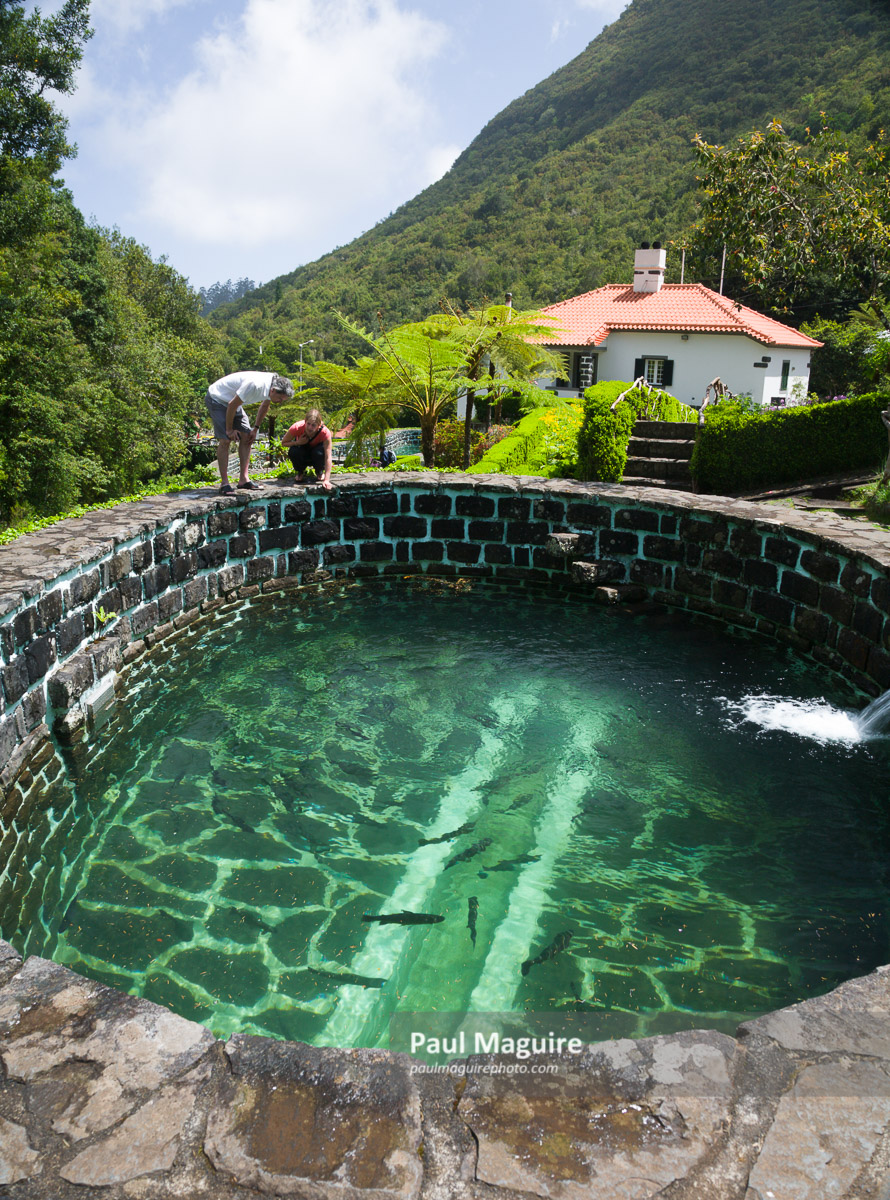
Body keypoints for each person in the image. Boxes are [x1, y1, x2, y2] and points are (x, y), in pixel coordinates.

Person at [205, 371, 294, 494]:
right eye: (280, 399)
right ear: (273, 390)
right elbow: (232, 405)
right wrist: (229, 430)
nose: (280, 402)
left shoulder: (273, 383)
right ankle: (224, 483)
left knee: (247, 436)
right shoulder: (255, 385)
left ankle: (244, 480)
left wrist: (255, 429)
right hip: (217, 398)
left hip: (233, 402)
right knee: (225, 439)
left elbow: (264, 406)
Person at [281, 408, 333, 490]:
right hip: (302, 451)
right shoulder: (297, 427)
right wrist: (298, 442)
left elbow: (328, 456)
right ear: (305, 422)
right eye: (308, 424)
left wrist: (327, 480)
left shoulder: (325, 433)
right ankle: (300, 471)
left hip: (316, 454)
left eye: (313, 425)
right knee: (294, 451)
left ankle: (319, 471)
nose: (309, 427)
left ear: (319, 426)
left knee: (319, 452)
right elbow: (284, 443)